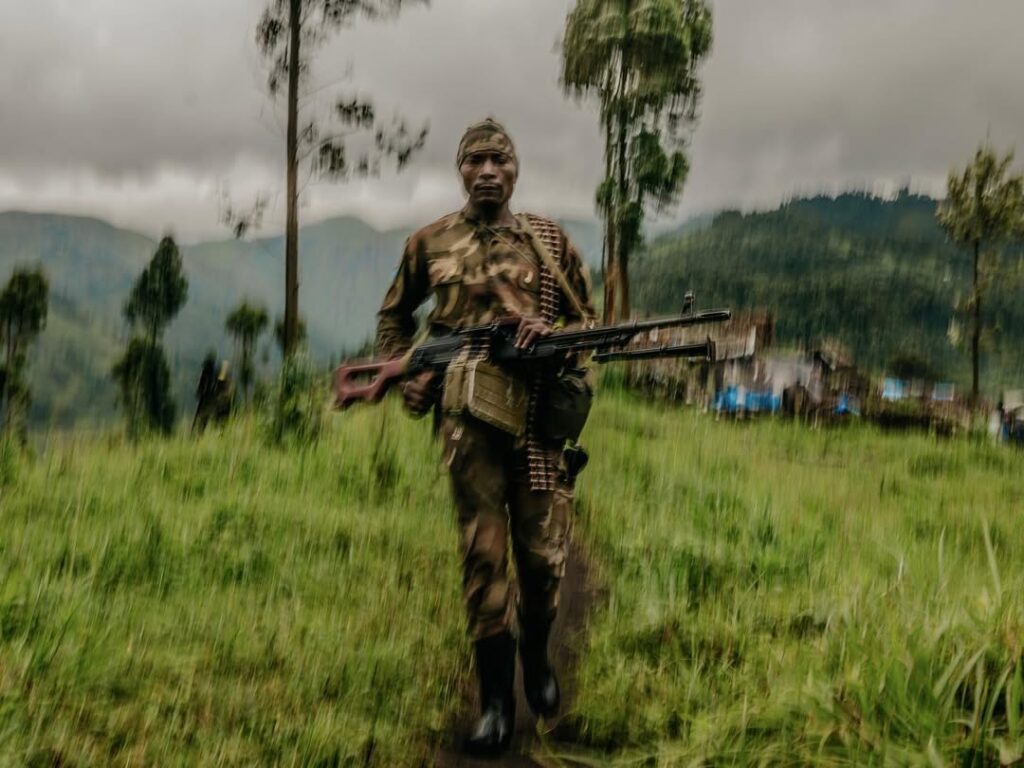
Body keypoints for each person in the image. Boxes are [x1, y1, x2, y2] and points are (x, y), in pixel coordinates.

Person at [376, 118, 595, 755]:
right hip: (466, 429)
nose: (488, 170)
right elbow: (394, 317)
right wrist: (406, 376)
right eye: (476, 159)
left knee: (541, 559)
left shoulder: (549, 245)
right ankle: (496, 705)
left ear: (516, 169)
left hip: (532, 427)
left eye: (500, 158)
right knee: (482, 558)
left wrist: (549, 344)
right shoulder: (429, 242)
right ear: (461, 170)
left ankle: (539, 664)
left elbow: (589, 325)